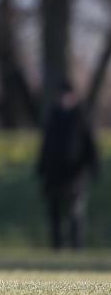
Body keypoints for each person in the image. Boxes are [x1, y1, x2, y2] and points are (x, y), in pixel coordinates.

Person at [36, 81, 100, 250]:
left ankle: (77, 246)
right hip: (54, 174)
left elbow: (90, 145)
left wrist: (93, 168)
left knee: (75, 212)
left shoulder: (81, 117)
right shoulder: (53, 117)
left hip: (75, 174)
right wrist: (41, 167)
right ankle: (57, 246)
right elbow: (46, 146)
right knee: (54, 212)